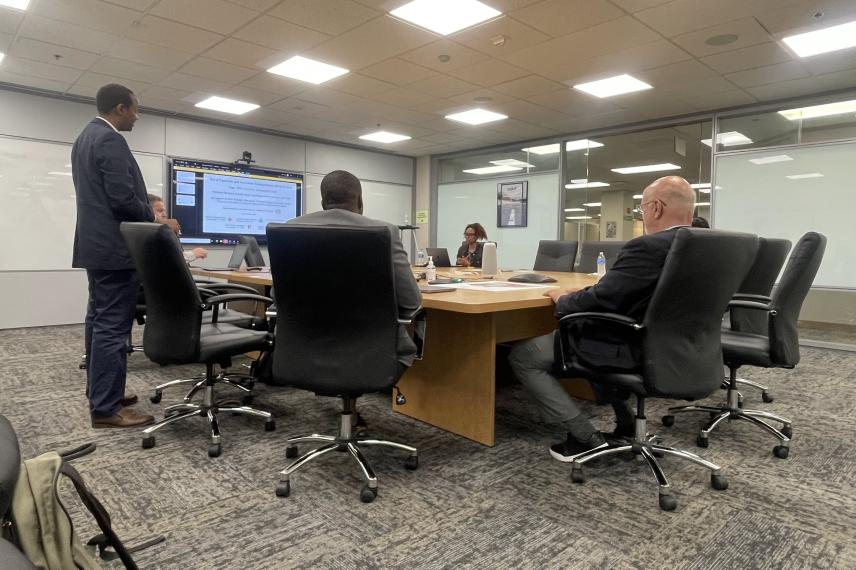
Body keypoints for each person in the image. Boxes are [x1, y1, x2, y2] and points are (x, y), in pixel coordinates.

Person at [509, 176, 697, 461]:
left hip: (629, 344)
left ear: (656, 208)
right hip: (683, 346)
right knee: (592, 334)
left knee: (523, 356)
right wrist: (589, 291)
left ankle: (584, 437)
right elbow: (626, 291)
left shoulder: (647, 247)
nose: (642, 214)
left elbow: (600, 300)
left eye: (642, 208)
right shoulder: (704, 246)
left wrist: (562, 298)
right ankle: (627, 423)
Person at [72, 84, 172, 429]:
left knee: (98, 321)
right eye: (134, 109)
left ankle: (102, 393)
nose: (137, 116)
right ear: (119, 108)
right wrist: (156, 219)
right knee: (113, 328)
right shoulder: (111, 139)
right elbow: (123, 198)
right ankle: (106, 408)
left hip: (96, 247)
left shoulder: (85, 137)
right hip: (115, 249)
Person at [287, 170, 422, 366]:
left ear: (323, 202)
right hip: (375, 349)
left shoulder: (291, 229)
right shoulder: (386, 232)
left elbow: (278, 297)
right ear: (360, 201)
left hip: (303, 345)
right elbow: (412, 302)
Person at [147, 194, 208, 262]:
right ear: (148, 212)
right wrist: (193, 254)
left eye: (164, 211)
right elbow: (166, 260)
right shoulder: (148, 235)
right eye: (160, 211)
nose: (165, 215)